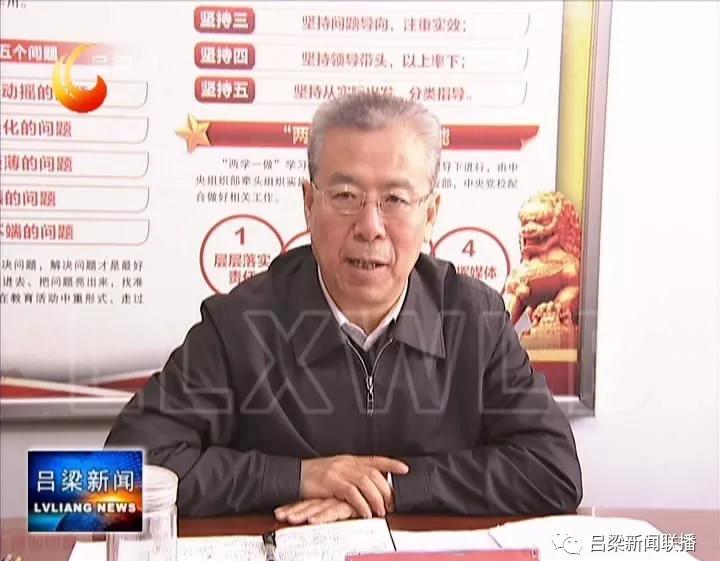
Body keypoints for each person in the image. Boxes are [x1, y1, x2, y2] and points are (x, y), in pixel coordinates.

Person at [106, 92, 582, 524]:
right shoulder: (241, 325)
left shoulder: (474, 319)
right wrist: (298, 477)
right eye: (346, 196)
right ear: (309, 204)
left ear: (431, 214)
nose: (370, 226)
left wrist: (394, 489)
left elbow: (555, 471)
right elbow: (104, 487)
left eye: (395, 199)